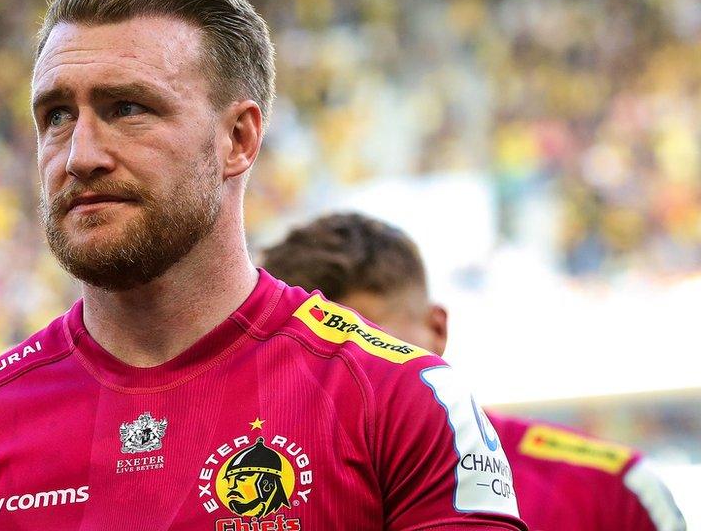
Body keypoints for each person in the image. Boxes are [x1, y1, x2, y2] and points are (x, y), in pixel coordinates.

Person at [0, 0, 526, 529]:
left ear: (239, 139)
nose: (80, 155)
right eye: (57, 115)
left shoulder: (398, 404)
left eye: (126, 108)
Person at [261, 212, 687, 531]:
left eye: (381, 350)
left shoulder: (613, 494)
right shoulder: (244, 499)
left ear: (437, 330)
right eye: (314, 361)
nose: (356, 380)